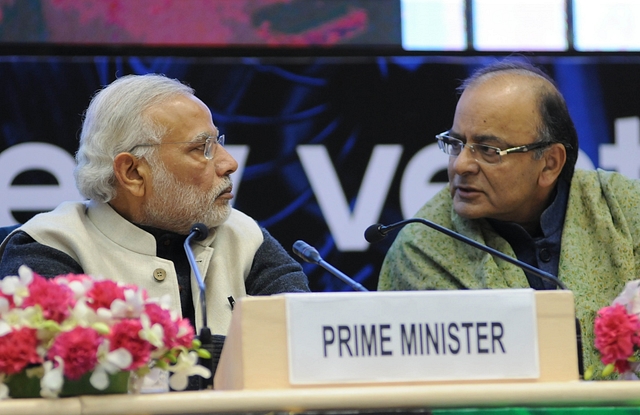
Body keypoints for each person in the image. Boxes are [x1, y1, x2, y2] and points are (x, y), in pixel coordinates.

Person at [0, 73, 310, 383]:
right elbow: (63, 366)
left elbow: (301, 343)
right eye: (201, 148)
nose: (229, 163)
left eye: (218, 143)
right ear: (132, 172)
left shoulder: (244, 236)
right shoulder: (52, 245)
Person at [377, 60, 640, 378]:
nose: (461, 165)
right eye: (456, 143)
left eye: (488, 150)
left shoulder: (625, 209)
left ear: (549, 164)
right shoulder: (422, 247)